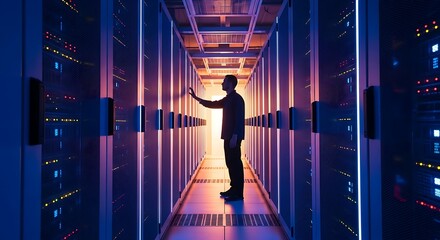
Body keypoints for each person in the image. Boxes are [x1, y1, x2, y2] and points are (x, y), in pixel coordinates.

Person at [188, 75, 245, 201]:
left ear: (230, 83)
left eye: (224, 81)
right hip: (228, 136)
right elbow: (213, 104)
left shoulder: (237, 99)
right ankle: (233, 189)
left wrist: (235, 136)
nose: (222, 83)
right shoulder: (228, 99)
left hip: (233, 137)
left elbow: (239, 118)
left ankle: (238, 193)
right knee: (230, 163)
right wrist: (196, 98)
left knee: (235, 163)